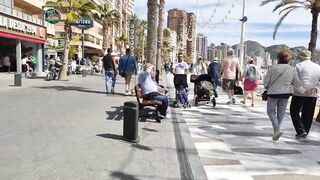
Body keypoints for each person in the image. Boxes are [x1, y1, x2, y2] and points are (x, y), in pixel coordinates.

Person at [264, 49, 307, 141]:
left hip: (273, 93)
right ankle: (277, 130)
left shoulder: (272, 68)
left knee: (270, 112)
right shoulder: (292, 69)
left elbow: (265, 83)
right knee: (281, 113)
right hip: (285, 94)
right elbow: (297, 83)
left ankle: (276, 129)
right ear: (289, 59)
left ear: (278, 58)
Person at [290, 49, 320, 138]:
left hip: (299, 94)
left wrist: (303, 91)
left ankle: (300, 130)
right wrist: (316, 89)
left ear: (300, 57)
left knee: (294, 111)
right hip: (312, 94)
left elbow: (294, 81)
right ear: (310, 57)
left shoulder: (297, 66)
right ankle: (305, 131)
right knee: (308, 114)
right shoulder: (318, 67)